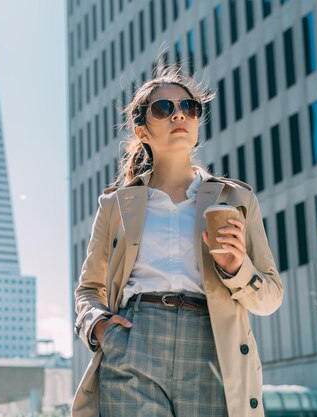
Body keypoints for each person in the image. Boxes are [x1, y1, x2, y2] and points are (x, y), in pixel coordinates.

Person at [72, 64, 283, 417]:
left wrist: (237, 269)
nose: (179, 115)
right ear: (141, 130)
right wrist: (101, 327)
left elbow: (270, 297)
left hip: (211, 346)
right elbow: (89, 290)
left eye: (189, 107)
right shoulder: (115, 205)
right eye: (164, 109)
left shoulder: (236, 200)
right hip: (135, 340)